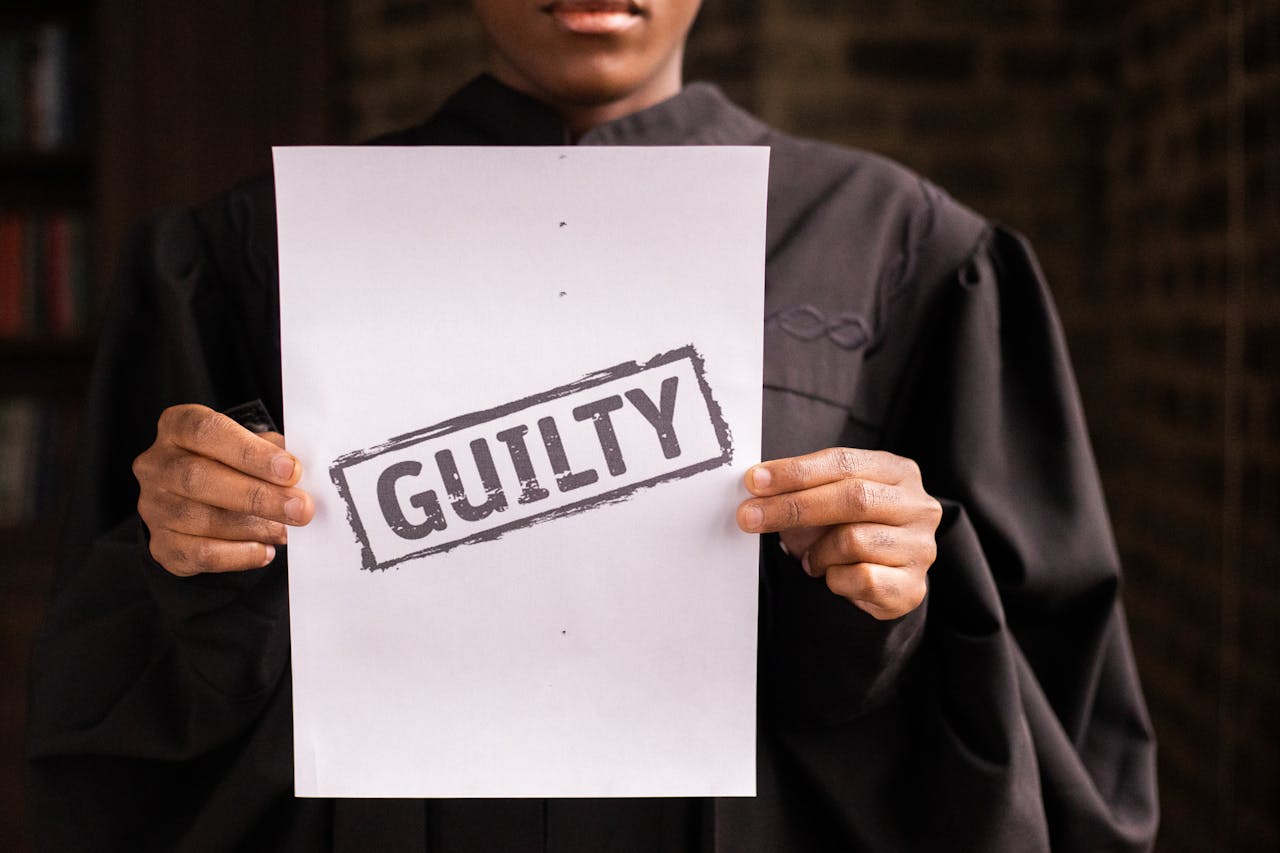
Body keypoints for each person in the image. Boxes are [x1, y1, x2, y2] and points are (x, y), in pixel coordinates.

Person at [27, 1, 1158, 850]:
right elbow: (121, 721)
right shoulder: (245, 257)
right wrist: (189, 557)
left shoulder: (905, 257)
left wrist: (905, 593)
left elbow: (1046, 732)